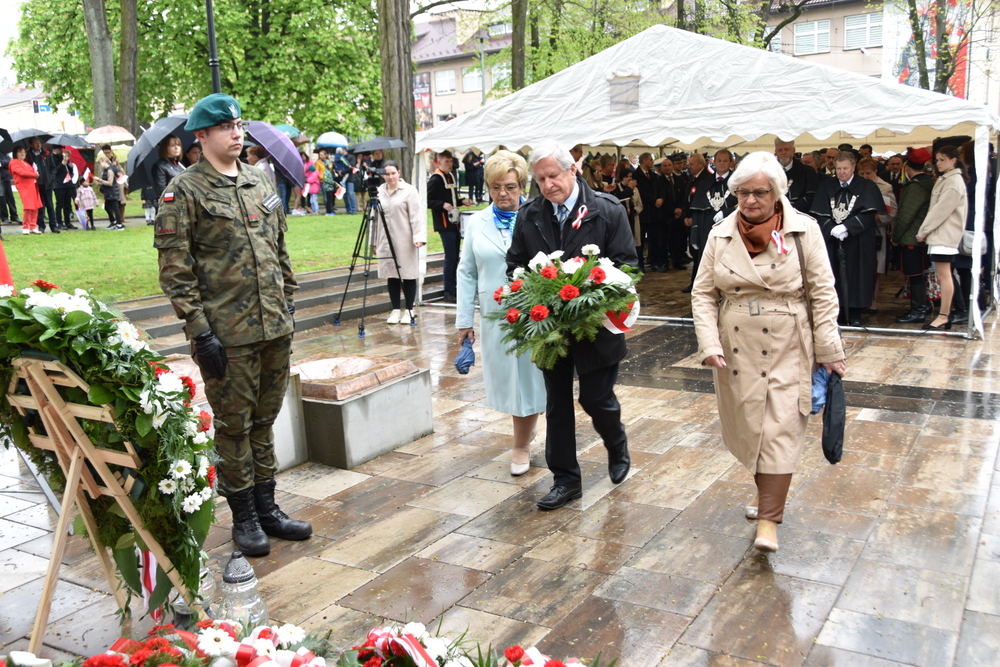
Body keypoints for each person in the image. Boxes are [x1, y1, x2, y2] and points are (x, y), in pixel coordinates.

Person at [153, 93, 311, 557]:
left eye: (239, 124)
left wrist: (290, 301)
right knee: (234, 426)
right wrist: (200, 330)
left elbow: (279, 250)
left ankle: (269, 509)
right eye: (225, 127)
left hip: (273, 327)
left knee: (265, 422)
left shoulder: (259, 182)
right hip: (227, 334)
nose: (236, 133)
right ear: (200, 136)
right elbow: (175, 269)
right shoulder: (184, 191)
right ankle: (243, 516)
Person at [692, 151, 845, 553]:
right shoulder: (719, 234)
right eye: (742, 192)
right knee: (752, 427)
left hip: (788, 343)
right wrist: (709, 342)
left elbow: (823, 294)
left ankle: (769, 522)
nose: (750, 200)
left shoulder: (804, 231)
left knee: (780, 427)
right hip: (736, 348)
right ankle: (764, 497)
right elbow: (703, 294)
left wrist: (829, 350)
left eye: (759, 192)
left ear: (777, 193)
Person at [506, 142, 638, 511]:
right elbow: (515, 265)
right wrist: (529, 296)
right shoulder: (530, 214)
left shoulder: (607, 211)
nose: (548, 185)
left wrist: (592, 296)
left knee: (595, 398)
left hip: (596, 328)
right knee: (558, 405)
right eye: (541, 179)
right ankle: (566, 480)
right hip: (550, 331)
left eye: (554, 176)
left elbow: (627, 267)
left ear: (572, 171)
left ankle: (616, 442)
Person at [456, 151, 546, 475]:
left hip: (536, 313)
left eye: (509, 186)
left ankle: (520, 444)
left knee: (533, 379)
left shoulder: (539, 216)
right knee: (510, 381)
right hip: (496, 314)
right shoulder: (477, 223)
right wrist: (465, 321)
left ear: (521, 184)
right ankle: (525, 432)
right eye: (495, 187)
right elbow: (466, 272)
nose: (503, 194)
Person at [810, 151, 883, 326]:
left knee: (857, 274)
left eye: (845, 168)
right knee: (833, 274)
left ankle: (856, 312)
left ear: (853, 167)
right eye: (839, 168)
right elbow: (819, 213)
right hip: (833, 240)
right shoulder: (826, 186)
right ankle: (838, 311)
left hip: (857, 241)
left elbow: (869, 214)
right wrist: (831, 228)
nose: (842, 172)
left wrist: (847, 227)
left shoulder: (866, 186)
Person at [915, 145, 969, 330]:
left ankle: (944, 315)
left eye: (942, 159)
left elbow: (941, 210)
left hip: (944, 234)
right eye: (937, 159)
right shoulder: (949, 179)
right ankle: (948, 311)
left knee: (944, 275)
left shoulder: (953, 181)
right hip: (942, 234)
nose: (938, 163)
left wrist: (924, 230)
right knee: (945, 275)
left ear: (953, 160)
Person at [372, 161, 425, 324]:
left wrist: (419, 237)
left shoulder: (409, 191)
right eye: (387, 174)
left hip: (404, 237)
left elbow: (417, 215)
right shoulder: (379, 191)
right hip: (385, 238)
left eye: (393, 173)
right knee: (391, 275)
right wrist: (373, 241)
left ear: (399, 172)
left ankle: (409, 309)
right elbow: (373, 219)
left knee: (407, 273)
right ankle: (395, 309)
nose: (391, 177)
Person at [892, 148, 935, 324]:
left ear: (907, 167)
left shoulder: (916, 187)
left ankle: (918, 310)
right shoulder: (931, 182)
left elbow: (905, 215)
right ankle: (922, 306)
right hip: (922, 236)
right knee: (919, 273)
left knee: (915, 274)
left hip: (912, 238)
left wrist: (895, 236)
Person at [687, 150, 737, 291]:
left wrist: (726, 212)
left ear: (730, 163)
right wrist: (695, 236)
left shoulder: (737, 181)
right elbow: (696, 210)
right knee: (707, 262)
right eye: (719, 160)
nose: (721, 163)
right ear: (713, 162)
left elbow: (743, 205)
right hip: (706, 228)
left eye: (725, 161)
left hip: (729, 228)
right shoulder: (704, 182)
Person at [428, 150, 473, 303]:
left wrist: (461, 202)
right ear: (439, 162)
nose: (450, 164)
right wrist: (442, 205)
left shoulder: (450, 176)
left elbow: (450, 198)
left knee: (455, 257)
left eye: (450, 161)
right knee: (450, 258)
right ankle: (448, 292)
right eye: (446, 161)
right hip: (444, 224)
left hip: (454, 223)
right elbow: (428, 201)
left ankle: (454, 289)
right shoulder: (436, 178)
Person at [857, 157, 897, 314]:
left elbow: (892, 212)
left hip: (876, 232)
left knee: (876, 268)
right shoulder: (856, 186)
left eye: (868, 173)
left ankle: (873, 301)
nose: (865, 176)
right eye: (862, 173)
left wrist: (876, 218)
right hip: (858, 232)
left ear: (875, 172)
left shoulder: (885, 187)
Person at [774, 138, 817, 214]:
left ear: (793, 150)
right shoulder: (769, 171)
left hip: (800, 215)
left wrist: (792, 207)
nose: (783, 152)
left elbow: (811, 197)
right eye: (780, 150)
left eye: (786, 149)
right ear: (776, 152)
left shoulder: (807, 172)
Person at [9, 146, 41, 235]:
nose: (22, 154)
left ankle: (33, 226)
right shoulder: (14, 162)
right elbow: (21, 172)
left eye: (24, 152)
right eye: (20, 152)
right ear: (16, 153)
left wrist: (35, 170)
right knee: (28, 206)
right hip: (24, 187)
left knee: (35, 206)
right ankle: (26, 226)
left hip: (32, 186)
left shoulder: (26, 163)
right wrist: (34, 174)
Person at [49, 146, 79, 229]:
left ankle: (67, 222)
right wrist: (62, 164)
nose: (61, 151)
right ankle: (59, 222)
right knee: (59, 204)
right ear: (55, 150)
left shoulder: (64, 158)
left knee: (68, 204)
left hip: (67, 184)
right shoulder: (52, 158)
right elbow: (55, 171)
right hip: (58, 185)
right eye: (59, 149)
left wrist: (70, 166)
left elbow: (69, 171)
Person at [93, 156, 125, 230]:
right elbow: (105, 182)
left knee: (115, 208)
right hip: (108, 192)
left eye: (100, 163)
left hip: (112, 192)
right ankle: (113, 222)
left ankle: (119, 224)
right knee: (107, 207)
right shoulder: (105, 171)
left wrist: (100, 180)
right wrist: (98, 183)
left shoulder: (110, 171)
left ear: (104, 161)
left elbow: (110, 183)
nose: (100, 165)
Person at [152, 135, 185, 203]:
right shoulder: (160, 166)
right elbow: (162, 191)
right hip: (172, 206)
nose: (176, 148)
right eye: (172, 145)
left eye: (178, 145)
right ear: (165, 148)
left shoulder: (179, 165)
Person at [334, 148, 357, 214]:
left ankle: (353, 209)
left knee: (350, 193)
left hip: (349, 178)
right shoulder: (339, 157)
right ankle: (348, 209)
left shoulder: (351, 157)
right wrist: (338, 172)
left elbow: (351, 167)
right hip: (341, 178)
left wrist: (342, 172)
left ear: (345, 150)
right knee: (345, 195)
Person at [1, 154, 20, 224]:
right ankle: (4, 217)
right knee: (1, 199)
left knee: (10, 198)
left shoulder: (3, 154)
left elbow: (9, 162)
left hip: (6, 178)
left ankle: (14, 215)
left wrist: (1, 163)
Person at [318, 149, 338, 215]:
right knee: (328, 198)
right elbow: (326, 179)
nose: (330, 165)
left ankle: (331, 209)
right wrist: (333, 182)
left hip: (330, 187)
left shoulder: (329, 168)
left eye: (322, 155)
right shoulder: (325, 171)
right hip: (327, 186)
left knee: (331, 198)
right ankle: (329, 210)